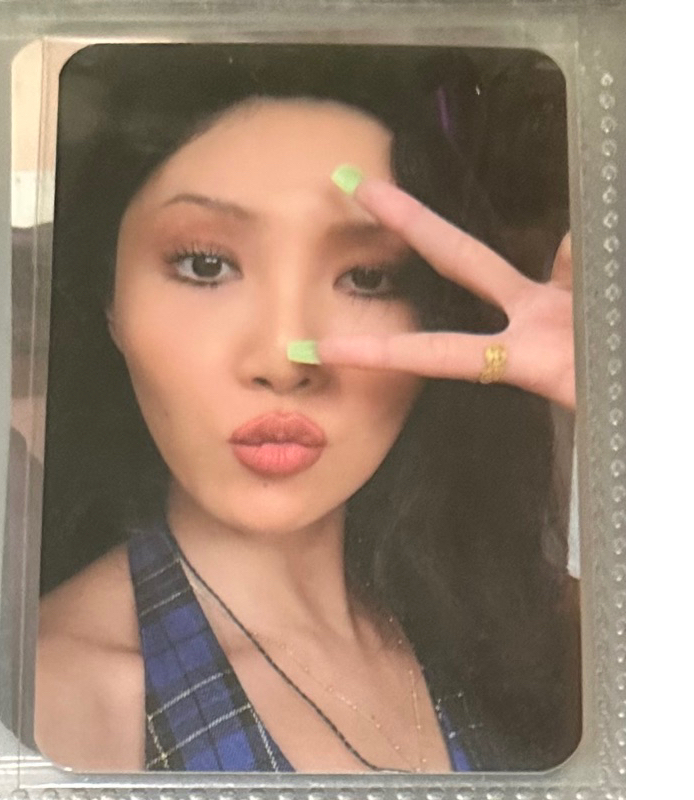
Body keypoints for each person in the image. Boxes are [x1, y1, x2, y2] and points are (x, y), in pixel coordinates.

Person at [34, 45, 579, 773]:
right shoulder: (57, 709)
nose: (286, 360)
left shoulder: (513, 630)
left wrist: (629, 413)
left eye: (368, 277)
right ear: (110, 302)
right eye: (205, 264)